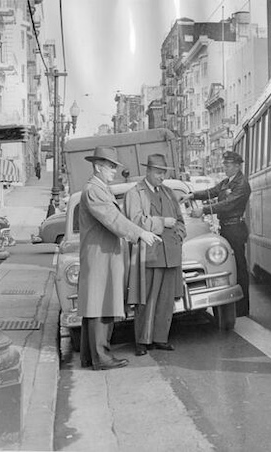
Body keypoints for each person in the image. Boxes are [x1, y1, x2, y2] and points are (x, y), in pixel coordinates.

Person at [78, 146, 161, 371]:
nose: (114, 171)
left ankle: (90, 356)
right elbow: (113, 218)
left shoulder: (98, 188)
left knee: (96, 306)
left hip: (101, 255)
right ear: (98, 166)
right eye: (110, 167)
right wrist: (140, 233)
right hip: (100, 257)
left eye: (114, 167)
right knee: (100, 306)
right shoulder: (95, 190)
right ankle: (101, 358)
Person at [123, 153, 186, 357]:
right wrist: (162, 223)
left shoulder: (168, 192)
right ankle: (142, 341)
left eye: (163, 173)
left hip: (171, 255)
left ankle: (160, 338)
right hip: (149, 254)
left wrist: (179, 233)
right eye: (158, 172)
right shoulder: (135, 193)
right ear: (148, 171)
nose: (161, 177)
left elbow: (180, 220)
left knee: (167, 300)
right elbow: (134, 221)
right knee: (146, 299)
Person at [181, 151, 251, 317]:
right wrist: (193, 195)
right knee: (230, 264)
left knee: (239, 266)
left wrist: (204, 210)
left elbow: (228, 204)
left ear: (237, 166)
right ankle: (236, 306)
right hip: (226, 227)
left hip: (235, 227)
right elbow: (212, 191)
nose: (225, 168)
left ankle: (242, 309)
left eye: (228, 165)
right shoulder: (227, 181)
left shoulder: (241, 184)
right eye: (225, 165)